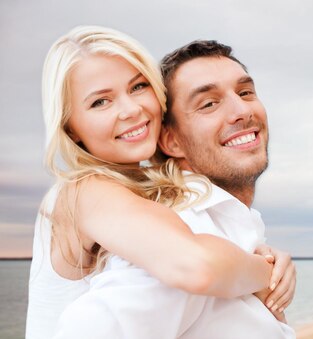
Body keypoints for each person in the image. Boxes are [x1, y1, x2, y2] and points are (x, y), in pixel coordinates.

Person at [26, 26, 295, 339]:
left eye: (138, 86)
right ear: (70, 127)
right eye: (100, 102)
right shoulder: (84, 191)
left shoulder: (150, 195)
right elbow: (196, 265)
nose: (131, 110)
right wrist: (267, 271)